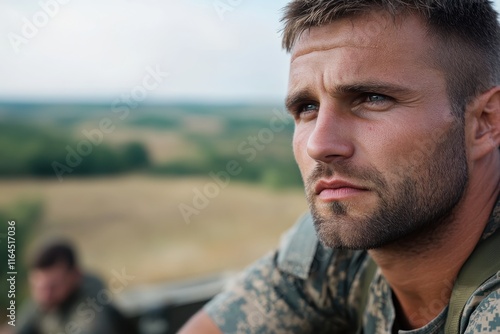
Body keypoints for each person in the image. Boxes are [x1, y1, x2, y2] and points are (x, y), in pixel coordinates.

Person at [179, 0, 500, 333]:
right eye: (307, 107)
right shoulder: (346, 234)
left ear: (484, 123)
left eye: (372, 98)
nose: (319, 145)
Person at [17, 240, 133, 334]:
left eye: (53, 286)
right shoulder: (44, 301)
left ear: (75, 275)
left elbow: (89, 329)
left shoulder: (91, 301)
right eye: (38, 287)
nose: (45, 295)